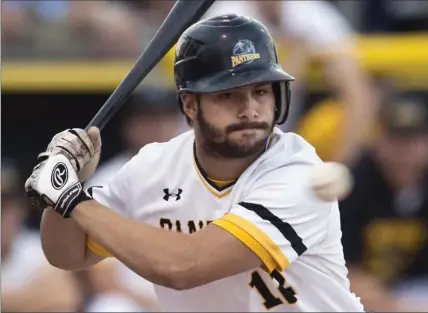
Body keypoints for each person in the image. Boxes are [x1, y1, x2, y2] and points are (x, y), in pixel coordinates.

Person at [25, 15, 363, 312]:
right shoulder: (154, 166)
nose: (250, 109)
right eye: (227, 94)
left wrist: (71, 198)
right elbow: (68, 255)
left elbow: (182, 267)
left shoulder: (296, 174)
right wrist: (65, 190)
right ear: (190, 105)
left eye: (260, 91)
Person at [339, 99, 428, 312]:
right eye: (396, 140)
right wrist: (394, 306)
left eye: (414, 140)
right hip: (356, 293)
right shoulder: (355, 183)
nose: (404, 152)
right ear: (378, 141)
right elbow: (338, 269)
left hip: (413, 287)